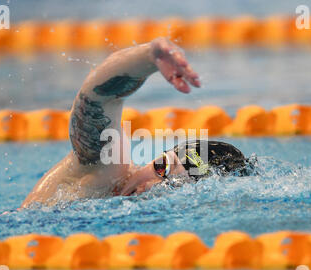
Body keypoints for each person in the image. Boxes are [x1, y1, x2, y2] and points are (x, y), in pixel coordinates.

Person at [22, 37, 251, 208]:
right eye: (161, 167)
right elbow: (99, 99)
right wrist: (149, 57)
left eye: (171, 188)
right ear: (157, 156)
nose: (149, 186)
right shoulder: (108, 168)